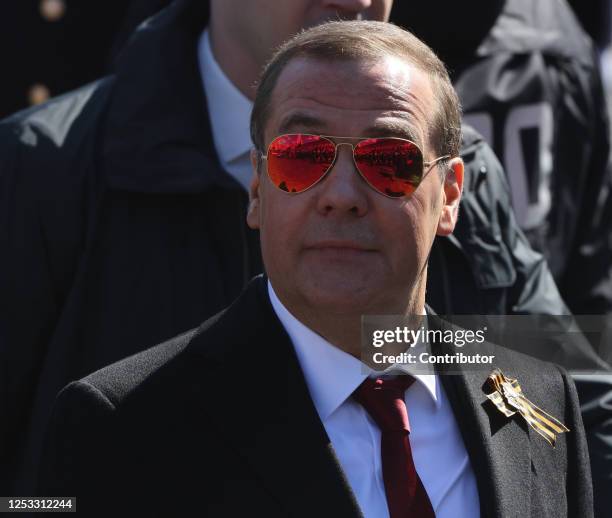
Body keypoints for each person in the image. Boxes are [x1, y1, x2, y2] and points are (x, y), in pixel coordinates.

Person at [0, 0, 604, 500]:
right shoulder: (43, 168)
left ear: (447, 194)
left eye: (389, 163)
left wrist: (411, 357)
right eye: (301, 158)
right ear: (258, 185)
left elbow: (542, 375)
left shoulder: (456, 159)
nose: (341, 196)